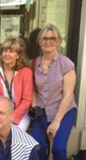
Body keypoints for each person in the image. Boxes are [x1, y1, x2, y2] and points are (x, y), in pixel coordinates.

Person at [31, 24, 77, 160]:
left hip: (63, 110)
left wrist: (57, 121)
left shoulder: (66, 64)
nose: (48, 42)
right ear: (39, 42)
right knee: (38, 147)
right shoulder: (33, 64)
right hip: (41, 110)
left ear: (58, 41)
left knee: (58, 149)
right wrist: (34, 108)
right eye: (44, 38)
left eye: (52, 38)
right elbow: (33, 88)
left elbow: (68, 95)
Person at [0, 37, 33, 131]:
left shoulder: (26, 72)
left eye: (11, 51)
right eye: (5, 51)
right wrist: (1, 115)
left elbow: (26, 100)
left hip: (20, 114)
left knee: (14, 134)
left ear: (18, 55)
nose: (7, 54)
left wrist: (12, 118)